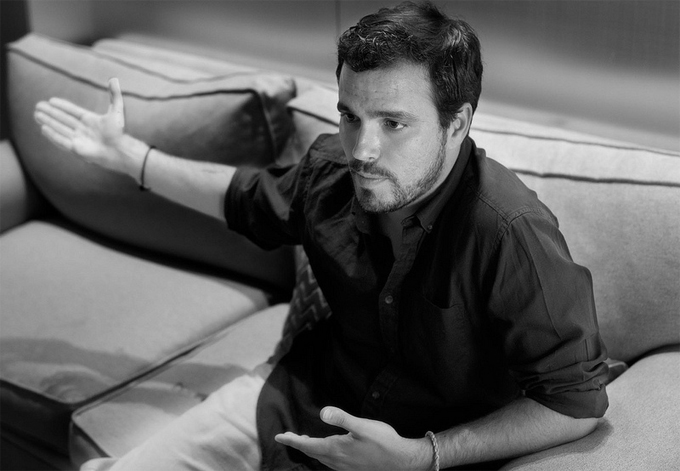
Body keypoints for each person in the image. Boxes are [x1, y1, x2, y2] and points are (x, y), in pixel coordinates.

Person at [34, 2, 609, 470]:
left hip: (427, 445)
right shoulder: (330, 171)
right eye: (350, 116)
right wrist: (129, 157)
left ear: (455, 123)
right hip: (301, 397)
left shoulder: (509, 232)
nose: (363, 150)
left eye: (393, 123)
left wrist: (423, 456)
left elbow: (575, 402)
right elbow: (243, 197)